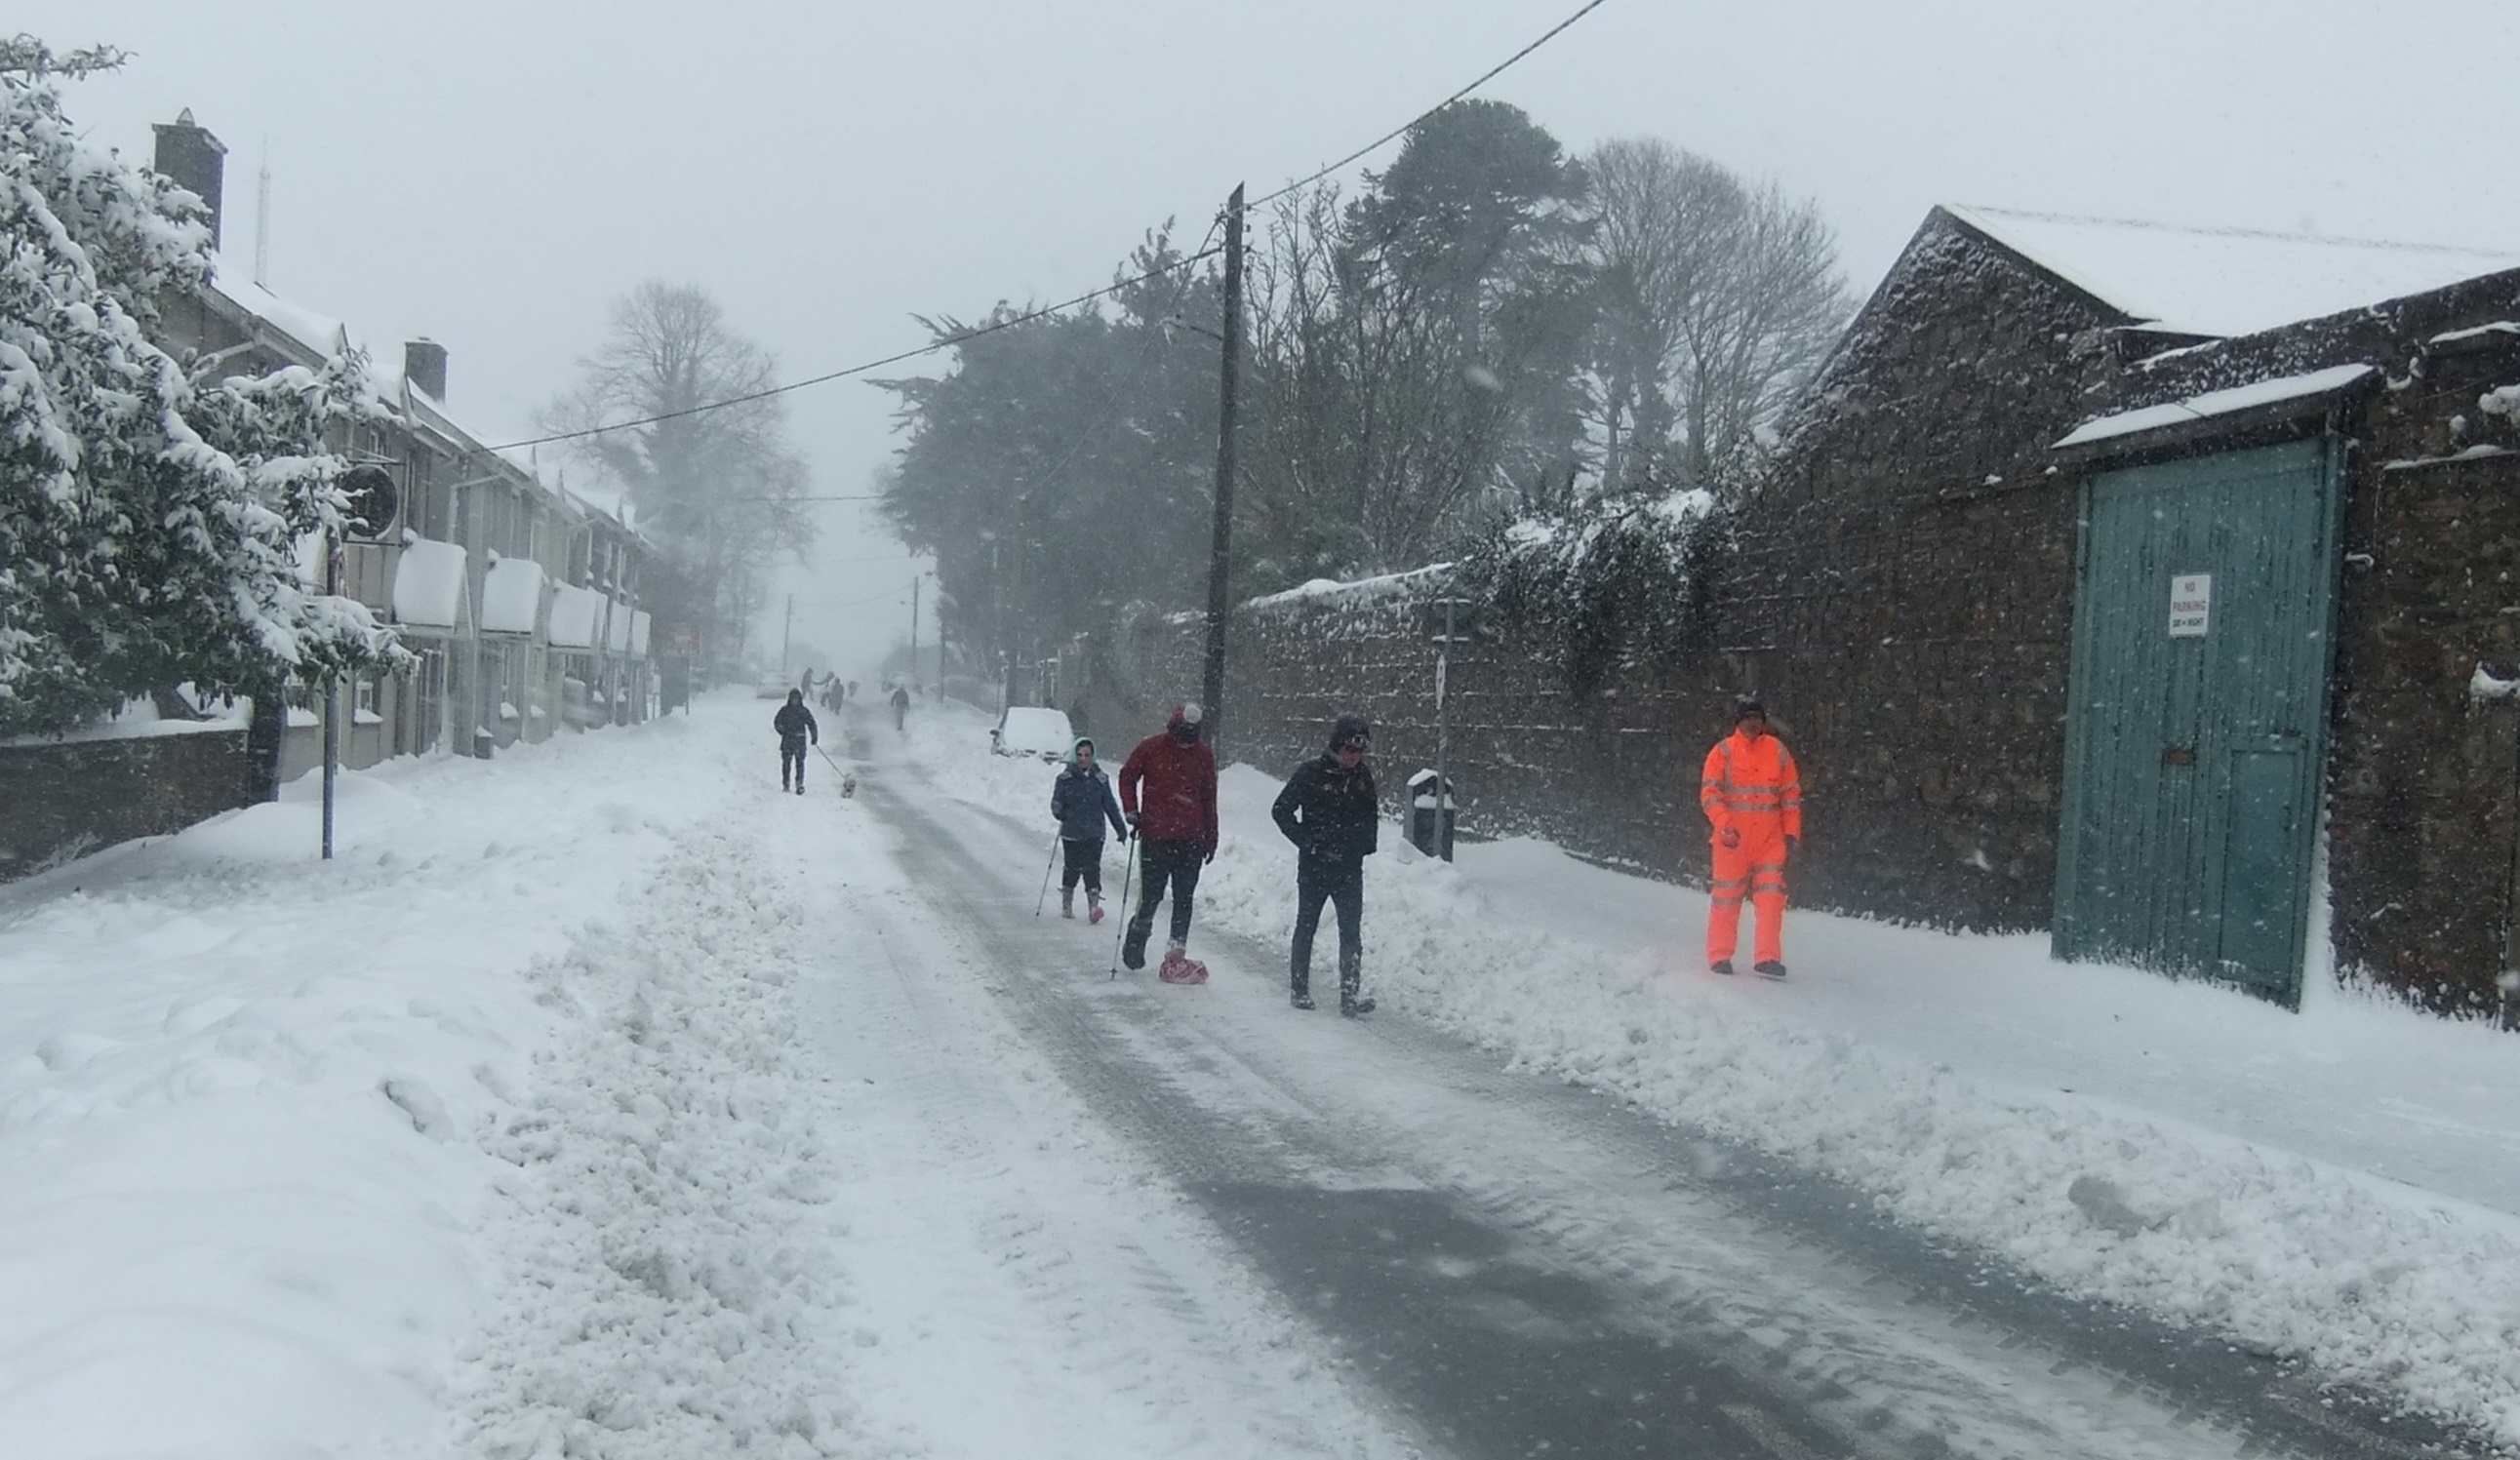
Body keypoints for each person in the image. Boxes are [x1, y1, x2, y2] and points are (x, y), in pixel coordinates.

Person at [1271, 713, 1380, 1015]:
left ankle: (1349, 994)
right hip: (1315, 867)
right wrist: (1308, 842)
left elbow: (1371, 816)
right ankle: (1299, 988)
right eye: (1349, 750)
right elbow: (1280, 810)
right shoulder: (1311, 774)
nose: (1354, 757)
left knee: (1351, 930)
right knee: (1306, 924)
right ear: (1336, 745)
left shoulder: (1362, 778)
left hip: (1348, 868)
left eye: (1359, 751)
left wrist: (1364, 846)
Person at [1701, 694, 1802, 978]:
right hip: (1733, 842)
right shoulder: (1722, 752)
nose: (1753, 723)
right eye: (1747, 718)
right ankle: (1719, 955)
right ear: (1738, 721)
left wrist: (1792, 831)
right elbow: (1710, 794)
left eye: (1757, 718)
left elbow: (1790, 796)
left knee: (1771, 900)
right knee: (1726, 899)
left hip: (1770, 842)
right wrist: (1724, 823)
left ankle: (1767, 958)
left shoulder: (1778, 751)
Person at [1117, 703, 1219, 982]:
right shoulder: (1151, 748)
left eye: (1192, 734)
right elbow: (1127, 776)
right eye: (1182, 733)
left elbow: (1209, 797)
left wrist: (1211, 836)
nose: (1186, 740)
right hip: (1155, 836)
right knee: (1151, 895)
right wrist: (1131, 809)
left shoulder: (1204, 756)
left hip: (1191, 840)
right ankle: (1137, 935)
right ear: (1173, 727)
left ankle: (1176, 955)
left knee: (1184, 898)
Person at [1050, 736, 1129, 922]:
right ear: (1074, 756)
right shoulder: (1065, 779)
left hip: (1094, 831)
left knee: (1092, 867)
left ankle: (1094, 906)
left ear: (1093, 756)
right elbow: (1056, 801)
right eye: (1079, 755)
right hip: (1072, 832)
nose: (1083, 759)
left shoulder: (1100, 779)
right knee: (1072, 867)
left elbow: (1110, 805)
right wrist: (1060, 811)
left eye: (1087, 755)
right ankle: (1067, 902)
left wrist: (1120, 828)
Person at [774, 689, 819, 795]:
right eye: (793, 699)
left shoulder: (803, 711)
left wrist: (814, 736)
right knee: (786, 764)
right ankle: (786, 782)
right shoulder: (784, 711)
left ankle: (799, 783)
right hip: (787, 741)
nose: (795, 701)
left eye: (797, 699)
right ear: (790, 699)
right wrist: (781, 730)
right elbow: (777, 722)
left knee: (800, 764)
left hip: (800, 741)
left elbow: (811, 723)